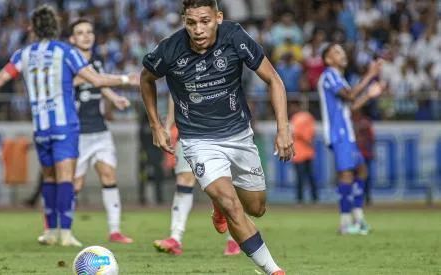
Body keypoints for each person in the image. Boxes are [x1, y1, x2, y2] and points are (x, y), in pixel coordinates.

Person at [0, 5, 139, 247]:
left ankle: (50, 231)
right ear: (56, 27)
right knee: (64, 179)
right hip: (65, 126)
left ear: (33, 29)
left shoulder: (24, 54)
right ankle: (66, 234)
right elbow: (96, 79)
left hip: (41, 127)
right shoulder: (66, 51)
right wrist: (127, 79)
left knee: (49, 179)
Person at [140, 1, 294, 274]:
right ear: (183, 21)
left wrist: (283, 129)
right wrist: (156, 125)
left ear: (218, 18)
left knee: (256, 208)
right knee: (231, 204)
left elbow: (274, 80)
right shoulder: (170, 48)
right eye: (191, 23)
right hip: (198, 140)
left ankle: (219, 205)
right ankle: (274, 270)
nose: (198, 30)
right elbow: (146, 78)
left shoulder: (235, 36)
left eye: (205, 21)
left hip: (239, 135)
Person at [69, 18, 133, 243]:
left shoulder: (96, 62)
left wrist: (115, 99)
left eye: (89, 31)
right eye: (80, 32)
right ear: (72, 39)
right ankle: (61, 229)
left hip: (100, 130)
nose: (86, 36)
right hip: (77, 134)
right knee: (74, 185)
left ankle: (114, 230)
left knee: (108, 176)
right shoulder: (67, 63)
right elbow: (70, 84)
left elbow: (100, 83)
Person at [153, 96, 240, 256]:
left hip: (219, 130)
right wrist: (168, 125)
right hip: (188, 130)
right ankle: (175, 238)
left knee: (225, 184)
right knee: (183, 181)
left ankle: (234, 239)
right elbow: (174, 94)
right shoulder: (179, 70)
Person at [318, 43, 385, 235]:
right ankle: (346, 223)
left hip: (347, 132)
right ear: (328, 60)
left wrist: (369, 95)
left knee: (361, 169)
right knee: (347, 173)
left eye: (342, 50)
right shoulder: (329, 74)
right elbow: (349, 95)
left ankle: (358, 217)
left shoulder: (339, 78)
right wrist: (370, 75)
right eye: (337, 52)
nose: (342, 54)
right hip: (338, 132)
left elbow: (351, 106)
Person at [289, 101, 318, 204]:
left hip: (299, 153)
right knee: (310, 177)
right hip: (308, 152)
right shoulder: (309, 116)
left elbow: (297, 134)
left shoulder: (295, 118)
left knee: (300, 178)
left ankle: (300, 200)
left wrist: (307, 142)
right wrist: (310, 142)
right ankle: (314, 198)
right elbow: (313, 133)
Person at [352, 109, 375, 205]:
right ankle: (356, 197)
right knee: (354, 176)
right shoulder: (350, 121)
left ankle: (366, 197)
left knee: (364, 176)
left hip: (363, 153)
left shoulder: (364, 122)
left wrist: (372, 151)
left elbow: (372, 138)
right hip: (355, 154)